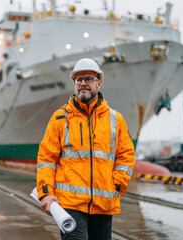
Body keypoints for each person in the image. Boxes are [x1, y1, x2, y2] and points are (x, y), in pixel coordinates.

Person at [36, 58, 136, 239]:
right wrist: (45, 193)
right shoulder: (60, 118)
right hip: (70, 204)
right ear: (74, 84)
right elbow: (46, 159)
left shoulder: (116, 119)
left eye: (89, 79)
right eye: (78, 79)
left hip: (104, 204)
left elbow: (126, 155)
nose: (83, 83)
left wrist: (119, 183)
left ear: (99, 82)